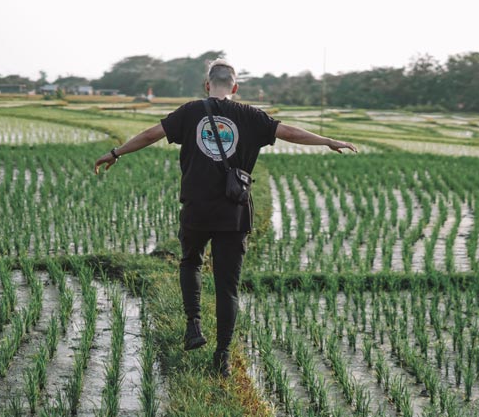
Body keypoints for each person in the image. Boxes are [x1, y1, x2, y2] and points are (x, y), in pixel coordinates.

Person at [94, 59, 356, 377]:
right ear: (235, 87)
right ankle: (222, 357)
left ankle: (193, 326)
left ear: (207, 85)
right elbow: (289, 132)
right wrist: (328, 140)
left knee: (190, 262)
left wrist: (116, 152)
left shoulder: (190, 112)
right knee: (227, 286)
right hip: (234, 212)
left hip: (196, 208)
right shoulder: (250, 116)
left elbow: (151, 134)